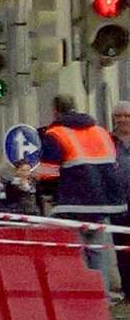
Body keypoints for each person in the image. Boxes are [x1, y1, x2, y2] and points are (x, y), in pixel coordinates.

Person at [40, 94, 126, 282]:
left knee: (76, 257)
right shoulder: (100, 132)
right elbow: (113, 165)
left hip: (71, 204)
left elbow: (48, 173)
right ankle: (102, 295)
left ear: (55, 111)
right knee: (98, 254)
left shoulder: (55, 133)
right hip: (102, 204)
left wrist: (48, 194)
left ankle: (82, 296)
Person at [110, 101, 130, 297]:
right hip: (118, 204)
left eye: (127, 116)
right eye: (118, 116)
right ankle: (128, 290)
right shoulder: (107, 141)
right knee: (122, 249)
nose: (122, 119)